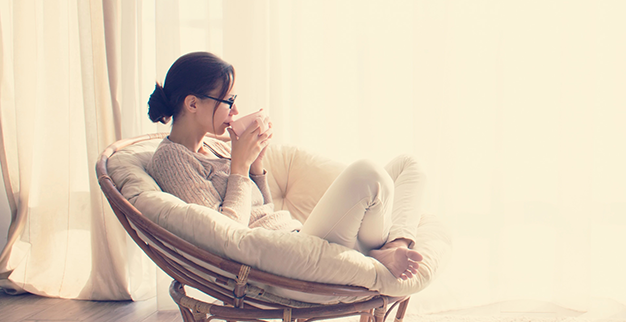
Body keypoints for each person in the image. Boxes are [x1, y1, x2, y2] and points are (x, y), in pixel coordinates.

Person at [146, 52, 424, 280]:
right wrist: (239, 167)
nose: (235, 112)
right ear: (193, 104)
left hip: (296, 237)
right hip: (284, 262)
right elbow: (224, 237)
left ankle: (391, 247)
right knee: (368, 174)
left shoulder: (214, 146)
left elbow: (263, 211)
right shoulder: (172, 159)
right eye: (228, 101)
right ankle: (377, 252)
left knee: (407, 166)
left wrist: (256, 166)